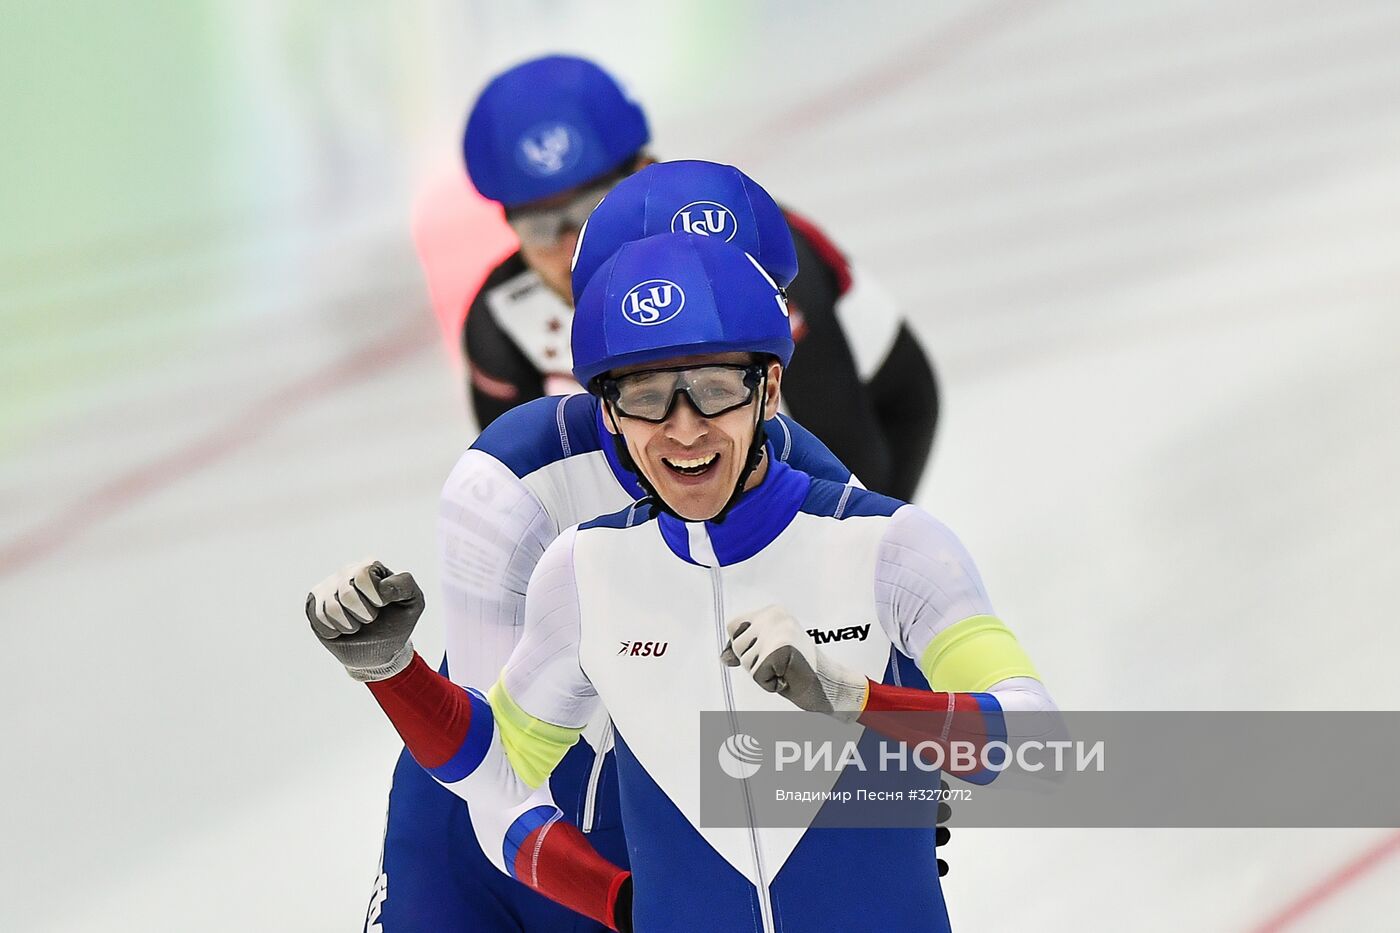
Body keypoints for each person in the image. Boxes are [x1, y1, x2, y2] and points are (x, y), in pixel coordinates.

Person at [309, 233, 1059, 931]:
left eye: (712, 389)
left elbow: (1036, 750)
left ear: (768, 388)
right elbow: (497, 778)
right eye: (645, 397)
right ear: (607, 411)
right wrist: (391, 670)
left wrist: (856, 701)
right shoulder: (582, 570)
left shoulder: (891, 544)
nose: (684, 427)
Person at [460, 54, 938, 501]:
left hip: (880, 413)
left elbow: (854, 467)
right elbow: (526, 501)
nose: (570, 246)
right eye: (538, 226)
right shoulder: (499, 322)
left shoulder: (750, 246)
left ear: (644, 172)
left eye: (592, 210)